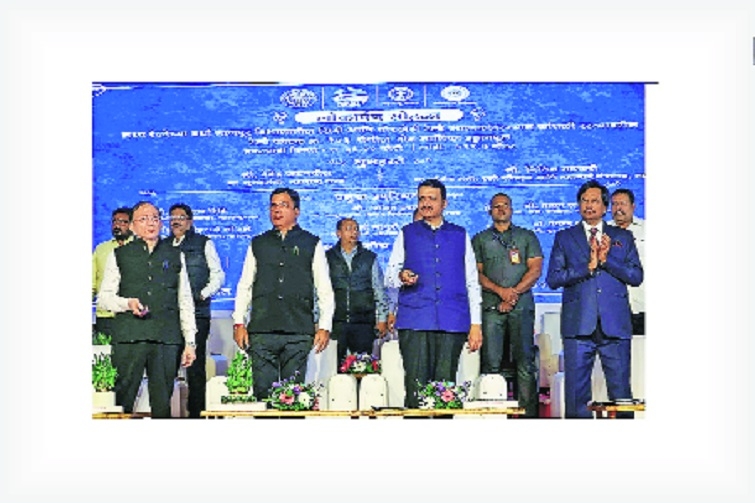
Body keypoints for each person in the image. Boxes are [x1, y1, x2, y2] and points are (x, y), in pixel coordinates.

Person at [546, 180, 643, 418]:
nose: (588, 206)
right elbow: (554, 279)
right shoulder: (565, 237)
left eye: (594, 201)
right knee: (577, 396)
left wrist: (607, 260)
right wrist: (587, 267)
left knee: (621, 395)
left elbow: (636, 276)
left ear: (604, 207)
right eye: (584, 201)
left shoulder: (622, 237)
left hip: (615, 325)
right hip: (578, 325)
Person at [385, 179, 482, 408]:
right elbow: (389, 276)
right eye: (422, 198)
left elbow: (471, 281)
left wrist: (476, 324)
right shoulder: (406, 233)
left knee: (445, 392)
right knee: (416, 387)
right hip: (415, 320)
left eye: (432, 198)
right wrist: (401, 276)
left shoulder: (460, 235)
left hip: (452, 320)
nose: (426, 203)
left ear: (444, 203)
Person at [232, 188, 335, 401]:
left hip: (298, 330)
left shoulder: (311, 243)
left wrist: (325, 326)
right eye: (273, 205)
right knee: (264, 395)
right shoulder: (258, 243)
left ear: (297, 211)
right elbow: (245, 285)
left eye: (283, 205)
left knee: (292, 397)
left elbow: (324, 288)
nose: (277, 210)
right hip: (262, 330)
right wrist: (239, 322)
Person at [97, 201, 197, 418]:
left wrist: (190, 342)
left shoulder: (175, 254)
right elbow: (104, 299)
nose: (150, 223)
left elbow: (185, 299)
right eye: (143, 219)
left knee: (162, 404)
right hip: (130, 337)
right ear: (132, 226)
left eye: (154, 218)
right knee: (122, 401)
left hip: (166, 338)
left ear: (161, 223)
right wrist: (127, 304)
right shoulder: (119, 254)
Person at [472, 193, 543, 417]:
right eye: (496, 206)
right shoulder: (480, 239)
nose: (501, 209)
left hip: (521, 307)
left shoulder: (526, 236)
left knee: (525, 363)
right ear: (489, 211)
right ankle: (493, 415)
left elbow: (535, 269)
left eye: (505, 206)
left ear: (511, 209)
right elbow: (476, 274)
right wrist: (500, 292)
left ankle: (528, 416)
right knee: (491, 364)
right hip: (492, 308)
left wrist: (513, 294)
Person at [166, 203, 226, 419]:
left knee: (195, 366)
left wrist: (202, 294)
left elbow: (218, 275)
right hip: (170, 316)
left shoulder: (203, 243)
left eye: (181, 217)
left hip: (198, 313)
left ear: (190, 221)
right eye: (172, 217)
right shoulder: (164, 246)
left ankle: (196, 414)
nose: (176, 221)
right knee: (167, 365)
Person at [326, 218, 391, 365]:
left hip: (363, 323)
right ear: (338, 233)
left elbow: (379, 290)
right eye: (349, 228)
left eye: (356, 229)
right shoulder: (328, 258)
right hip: (337, 322)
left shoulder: (369, 258)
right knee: (335, 367)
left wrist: (382, 319)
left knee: (363, 366)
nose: (354, 232)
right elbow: (321, 291)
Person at [92, 207, 134, 337]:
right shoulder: (101, 249)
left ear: (132, 225)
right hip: (105, 316)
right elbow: (91, 282)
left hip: (131, 315)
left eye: (123, 222)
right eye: (115, 221)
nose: (117, 225)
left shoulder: (139, 248)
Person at [609, 188, 646, 336]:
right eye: (614, 204)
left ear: (633, 206)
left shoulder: (646, 230)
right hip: (613, 310)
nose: (618, 208)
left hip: (643, 306)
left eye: (622, 203)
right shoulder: (602, 232)